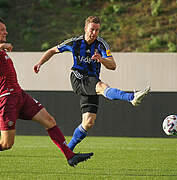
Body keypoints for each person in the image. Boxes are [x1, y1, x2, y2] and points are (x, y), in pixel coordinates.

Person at [0, 15, 93, 172]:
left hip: (19, 95)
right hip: (6, 99)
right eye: (2, 30)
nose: (6, 32)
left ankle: (70, 156)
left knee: (49, 120)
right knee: (6, 144)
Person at [33, 16, 150, 151]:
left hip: (91, 81)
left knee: (88, 123)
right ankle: (131, 97)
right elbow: (52, 50)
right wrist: (39, 63)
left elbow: (113, 66)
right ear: (85, 29)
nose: (94, 33)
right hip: (78, 78)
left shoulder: (101, 44)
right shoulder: (74, 42)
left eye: (97, 30)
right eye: (92, 29)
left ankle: (68, 150)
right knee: (101, 87)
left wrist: (101, 59)